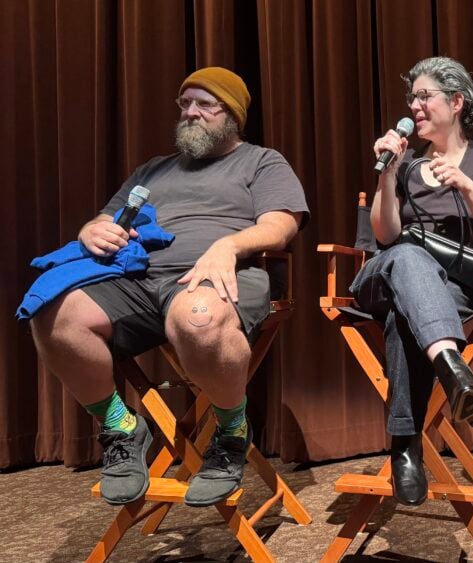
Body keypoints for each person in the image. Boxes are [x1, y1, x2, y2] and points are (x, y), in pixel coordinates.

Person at [29, 67, 309, 507]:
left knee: (197, 318)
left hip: (221, 273)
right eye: (185, 103)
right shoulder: (153, 170)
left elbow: (280, 226)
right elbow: (106, 219)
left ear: (232, 115)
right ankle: (121, 426)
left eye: (205, 104)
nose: (191, 112)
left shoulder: (262, 161)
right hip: (137, 279)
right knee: (52, 312)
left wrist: (228, 246)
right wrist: (91, 230)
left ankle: (232, 431)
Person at [353, 56, 473, 506]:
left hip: (453, 290)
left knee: (404, 320)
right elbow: (384, 235)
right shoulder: (405, 162)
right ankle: (451, 365)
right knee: (407, 255)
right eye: (412, 98)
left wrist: (466, 184)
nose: (415, 106)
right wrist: (389, 172)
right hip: (385, 276)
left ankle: (405, 447)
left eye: (424, 96)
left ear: (456, 101)